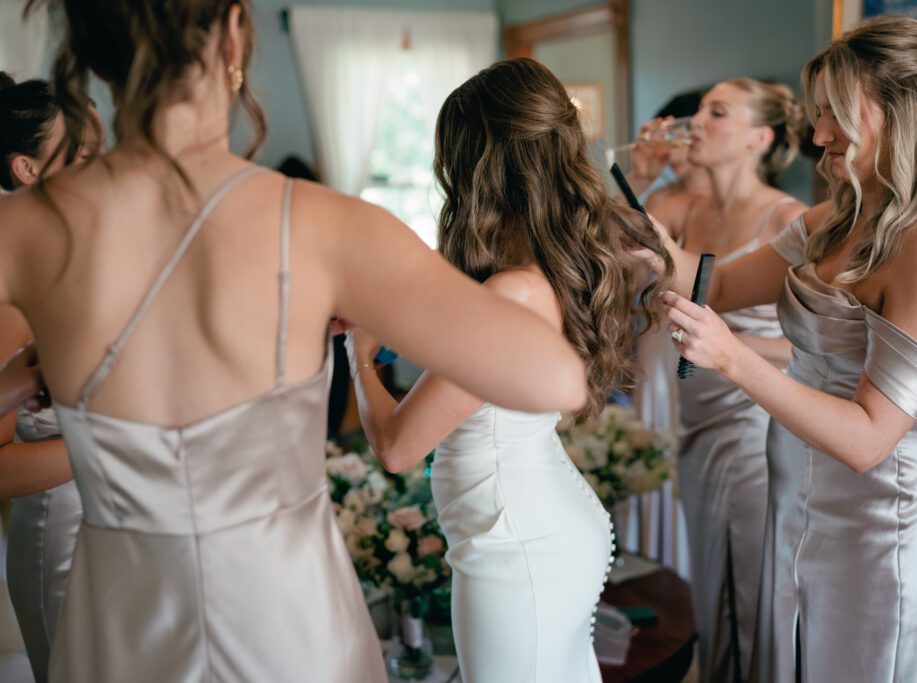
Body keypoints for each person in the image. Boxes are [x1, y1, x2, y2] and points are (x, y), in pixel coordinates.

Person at [0, 2, 588, 681]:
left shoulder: (23, 230)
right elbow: (557, 379)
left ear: (93, 57)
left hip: (122, 612)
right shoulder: (321, 223)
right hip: (281, 610)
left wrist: (35, 372)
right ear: (232, 35)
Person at [656, 16, 917, 682]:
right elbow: (711, 281)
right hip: (797, 493)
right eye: (816, 114)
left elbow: (869, 439)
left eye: (836, 113)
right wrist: (620, 223)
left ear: (908, 110)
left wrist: (733, 359)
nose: (818, 135)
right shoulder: (831, 218)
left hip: (880, 520)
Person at [346, 58, 672, 683]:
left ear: (479, 167)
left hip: (515, 548)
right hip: (528, 523)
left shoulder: (516, 292)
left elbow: (395, 447)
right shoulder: (532, 272)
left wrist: (359, 355)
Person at [646, 77, 807, 683]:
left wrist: (729, 346)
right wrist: (640, 170)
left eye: (718, 113)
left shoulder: (786, 217)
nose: (697, 123)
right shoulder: (680, 209)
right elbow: (606, 232)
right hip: (694, 420)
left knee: (748, 578)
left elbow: (810, 342)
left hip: (752, 422)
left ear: (758, 138)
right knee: (710, 574)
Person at [0, 72, 102, 682]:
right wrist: (117, 441)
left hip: (114, 514)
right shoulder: (12, 285)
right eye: (84, 153)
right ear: (27, 170)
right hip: (60, 530)